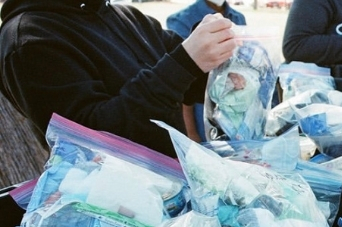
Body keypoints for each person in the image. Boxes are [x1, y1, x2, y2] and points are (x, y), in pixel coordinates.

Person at [0, 0, 237, 159]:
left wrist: (225, 71)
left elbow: (192, 83)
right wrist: (185, 63)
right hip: (114, 217)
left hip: (175, 195)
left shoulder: (126, 16)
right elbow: (93, 141)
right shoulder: (29, 38)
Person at [167, 0, 246, 143]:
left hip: (233, 113)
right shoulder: (181, 20)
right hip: (202, 114)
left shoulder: (237, 18)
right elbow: (182, 79)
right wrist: (190, 132)